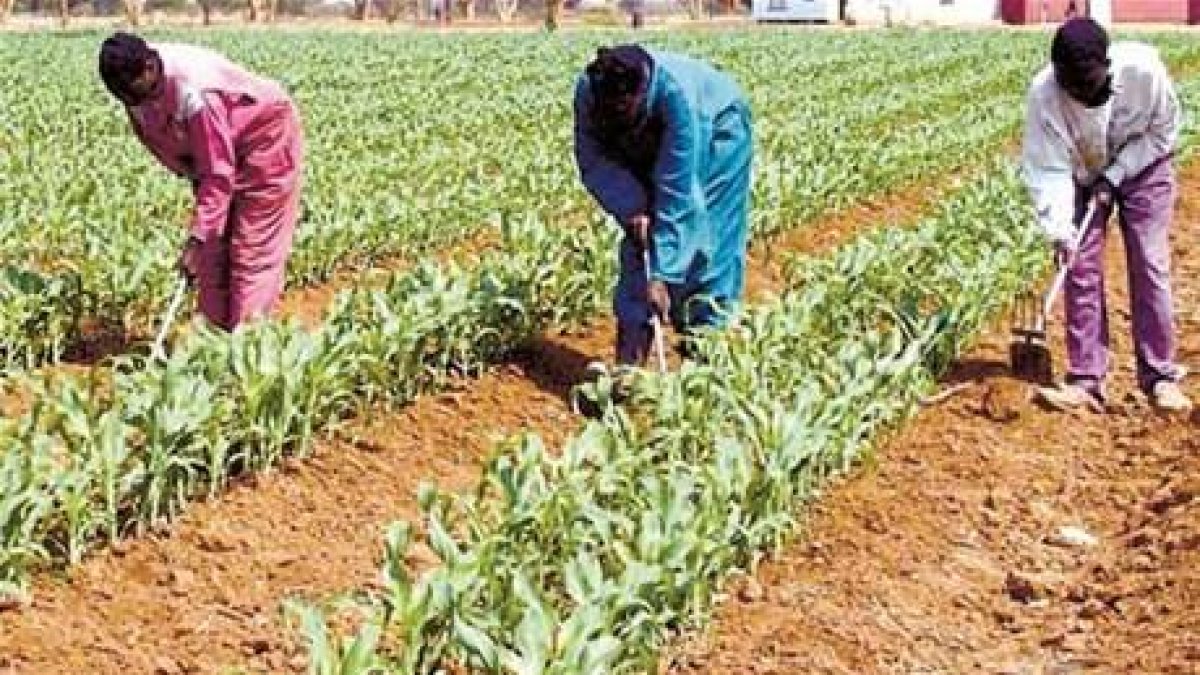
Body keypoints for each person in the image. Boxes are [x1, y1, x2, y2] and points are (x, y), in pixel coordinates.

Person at [1022, 18, 1190, 413]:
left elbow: (1162, 133)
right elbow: (1049, 170)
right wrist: (1061, 229)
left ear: (1108, 67)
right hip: (1079, 171)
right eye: (1073, 89)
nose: (1081, 95)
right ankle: (1085, 380)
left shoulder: (1145, 72)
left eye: (1090, 86)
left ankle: (1160, 378)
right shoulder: (1043, 97)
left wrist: (1116, 175)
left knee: (1149, 261)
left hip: (1145, 165)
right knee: (1078, 263)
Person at [98, 32, 304, 332]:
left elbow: (218, 174)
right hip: (214, 152)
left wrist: (197, 237)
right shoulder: (133, 89)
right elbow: (191, 159)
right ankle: (214, 346)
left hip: (264, 139)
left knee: (250, 251)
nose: (135, 104)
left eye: (137, 94)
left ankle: (246, 353)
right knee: (212, 255)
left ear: (151, 68)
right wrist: (204, 227)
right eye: (126, 98)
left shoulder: (194, 94)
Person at [572, 45, 753, 372]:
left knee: (709, 237)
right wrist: (631, 208)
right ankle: (631, 361)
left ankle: (706, 352)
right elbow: (594, 161)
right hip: (643, 141)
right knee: (639, 238)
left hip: (718, 126)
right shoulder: (589, 92)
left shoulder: (676, 101)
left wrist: (662, 276)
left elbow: (679, 196)